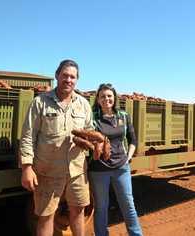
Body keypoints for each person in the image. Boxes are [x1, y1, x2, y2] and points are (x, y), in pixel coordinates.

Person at [20, 59, 93, 236]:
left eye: (73, 77)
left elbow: (90, 130)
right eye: (65, 75)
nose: (69, 80)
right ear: (57, 76)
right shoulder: (40, 102)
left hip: (77, 171)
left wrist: (93, 143)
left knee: (78, 211)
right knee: (46, 216)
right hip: (48, 171)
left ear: (77, 80)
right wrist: (27, 168)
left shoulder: (83, 104)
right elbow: (28, 136)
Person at [89, 83, 143, 236]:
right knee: (101, 207)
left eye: (109, 96)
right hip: (99, 170)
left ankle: (136, 234)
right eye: (102, 96)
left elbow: (133, 140)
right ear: (97, 99)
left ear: (114, 98)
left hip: (121, 168)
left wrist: (128, 158)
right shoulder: (92, 117)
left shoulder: (123, 116)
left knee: (128, 204)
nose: (106, 99)